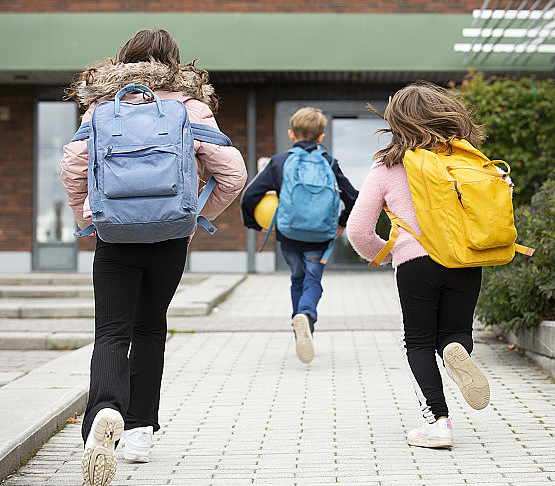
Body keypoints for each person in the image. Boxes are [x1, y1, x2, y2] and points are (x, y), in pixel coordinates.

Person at [61, 28, 247, 486]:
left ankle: (104, 411)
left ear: (123, 60)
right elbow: (234, 173)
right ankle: (140, 431)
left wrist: (87, 218)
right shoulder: (190, 107)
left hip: (115, 237)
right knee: (149, 329)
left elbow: (73, 166)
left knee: (111, 331)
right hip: (169, 239)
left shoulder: (103, 107)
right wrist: (196, 218)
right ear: (176, 64)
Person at [346, 83, 492, 449]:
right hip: (466, 258)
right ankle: (456, 352)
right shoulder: (469, 159)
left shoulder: (388, 165)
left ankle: (438, 422)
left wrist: (388, 253)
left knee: (418, 341)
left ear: (397, 122)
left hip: (417, 261)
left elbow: (359, 230)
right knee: (455, 332)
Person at [240, 107, 358, 364]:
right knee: (312, 280)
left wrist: (253, 224)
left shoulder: (279, 162)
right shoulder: (328, 162)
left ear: (292, 135)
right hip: (320, 237)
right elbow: (353, 197)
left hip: (289, 236)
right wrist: (342, 222)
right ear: (321, 137)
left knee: (297, 279)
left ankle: (299, 328)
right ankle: (306, 315)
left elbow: (249, 196)